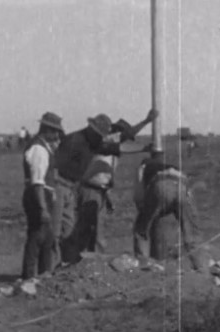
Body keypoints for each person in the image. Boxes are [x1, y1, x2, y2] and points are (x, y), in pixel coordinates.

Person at [53, 109, 157, 265]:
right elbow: (127, 135)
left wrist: (144, 146)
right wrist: (146, 121)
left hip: (98, 191)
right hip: (87, 189)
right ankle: (77, 262)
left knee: (92, 227)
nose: (126, 138)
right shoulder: (92, 140)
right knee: (86, 228)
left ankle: (81, 261)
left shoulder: (100, 144)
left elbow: (123, 145)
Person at [132, 147, 201, 260]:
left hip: (161, 184)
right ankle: (200, 266)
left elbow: (139, 195)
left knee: (141, 229)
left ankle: (143, 262)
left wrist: (144, 212)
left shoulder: (143, 167)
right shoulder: (172, 166)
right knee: (190, 232)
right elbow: (188, 195)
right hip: (182, 185)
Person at [21, 111, 65, 281]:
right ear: (46, 129)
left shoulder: (43, 146)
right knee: (37, 238)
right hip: (38, 196)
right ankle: (29, 277)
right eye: (54, 131)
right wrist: (43, 208)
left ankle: (41, 276)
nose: (56, 135)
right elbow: (37, 182)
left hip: (43, 195)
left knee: (46, 238)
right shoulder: (38, 149)